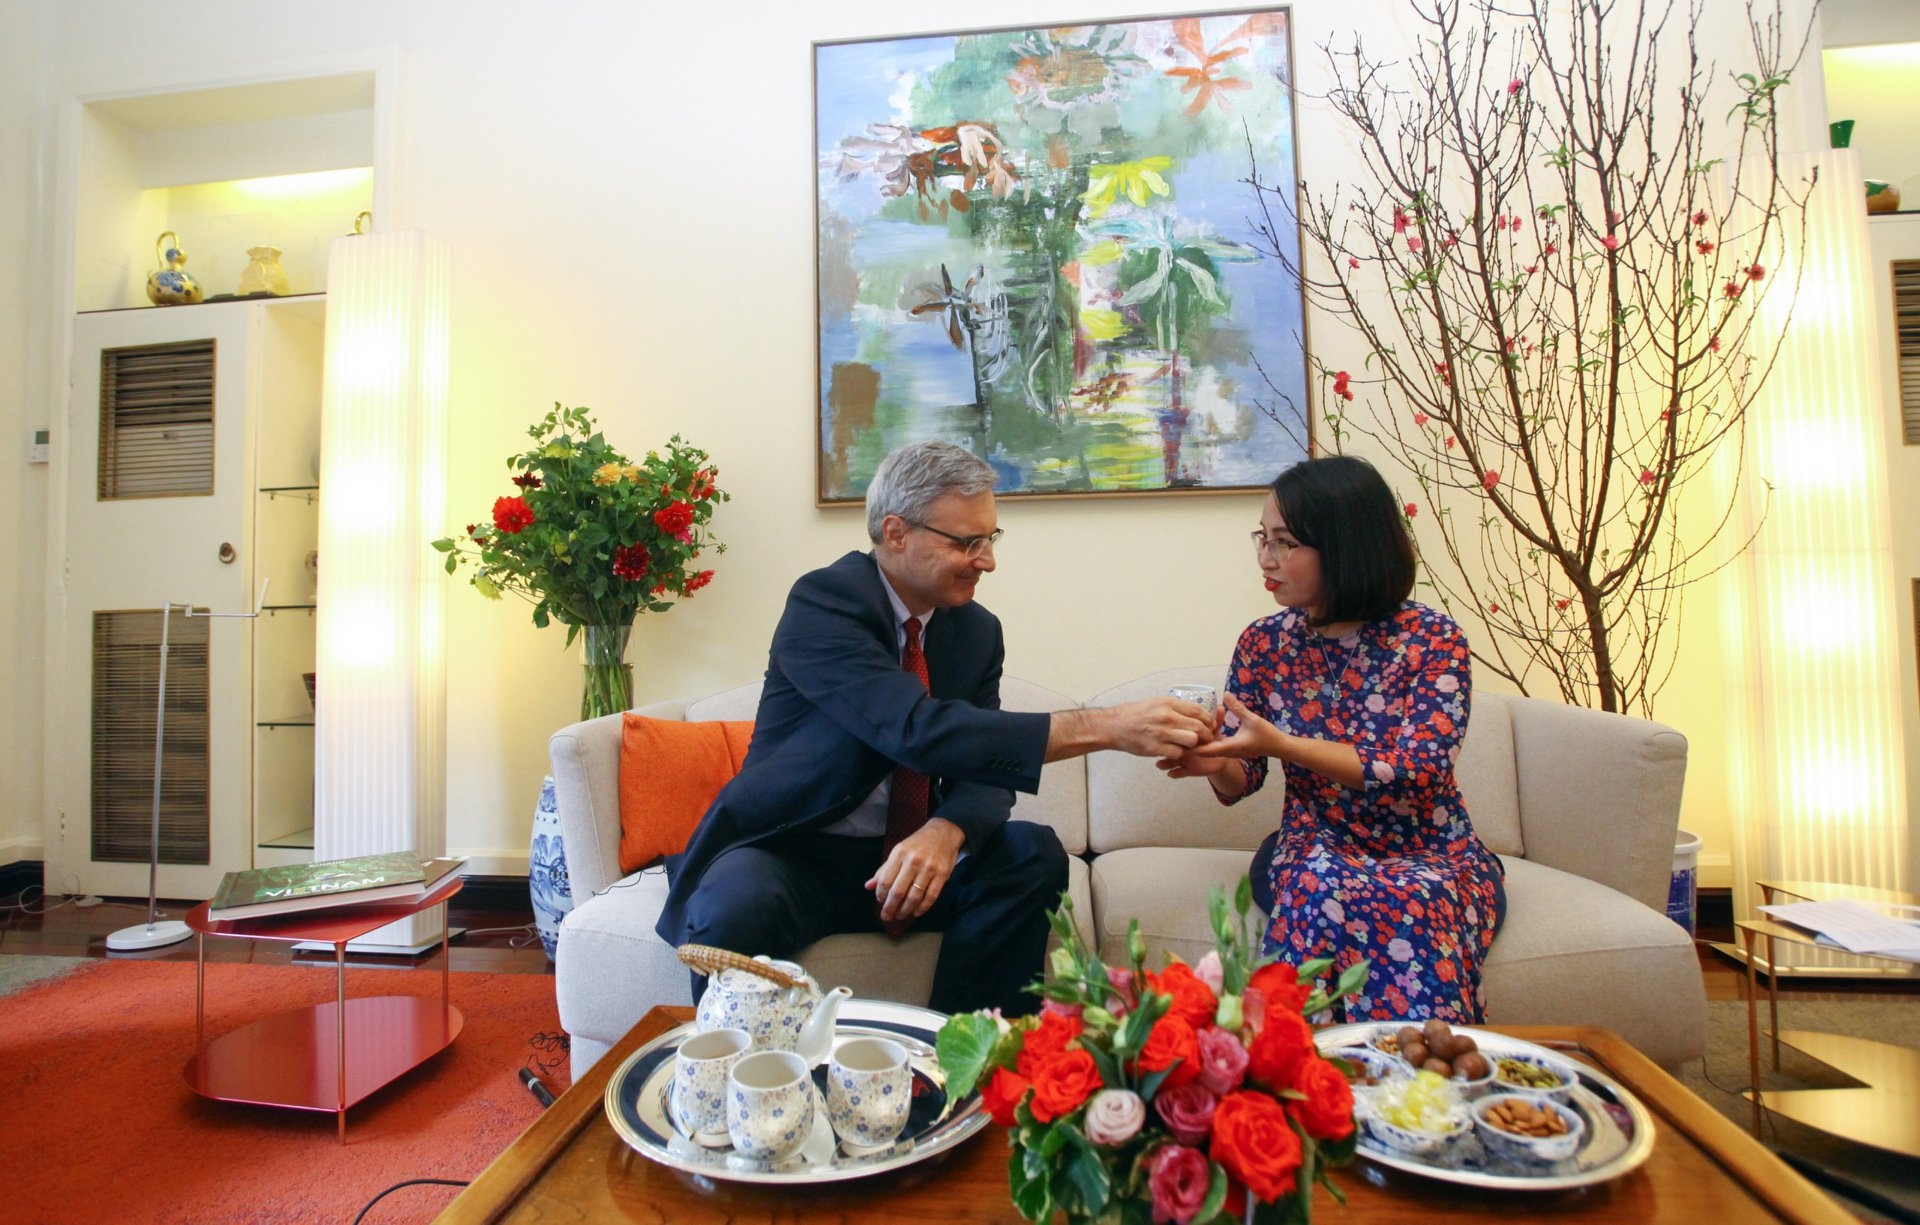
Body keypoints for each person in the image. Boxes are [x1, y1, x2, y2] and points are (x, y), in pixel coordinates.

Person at [657, 440, 1214, 1017]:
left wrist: (946, 831)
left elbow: (985, 765)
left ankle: (961, 1063)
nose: (987, 560)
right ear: (896, 533)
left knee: (1033, 854)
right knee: (734, 903)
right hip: (797, 854)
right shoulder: (824, 603)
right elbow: (917, 729)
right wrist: (1108, 726)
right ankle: (743, 1081)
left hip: (910, 863)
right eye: (967, 542)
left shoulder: (975, 632)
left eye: (990, 539)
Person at [1161, 455, 1506, 1022]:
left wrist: (1282, 744)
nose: (1265, 559)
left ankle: (1418, 1082)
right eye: (1262, 539)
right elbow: (1244, 777)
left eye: (1285, 543)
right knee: (1322, 884)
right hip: (1316, 847)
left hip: (1431, 851)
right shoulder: (1264, 643)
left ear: (1346, 546)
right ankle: (1305, 1078)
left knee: (1410, 900)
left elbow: (1419, 769)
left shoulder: (1432, 638)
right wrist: (1212, 760)